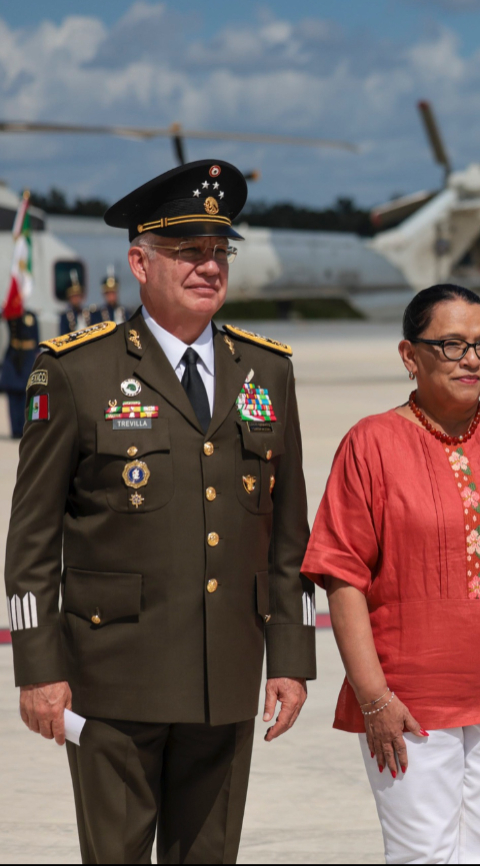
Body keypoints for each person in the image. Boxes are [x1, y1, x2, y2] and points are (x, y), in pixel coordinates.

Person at [4, 159, 315, 864]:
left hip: (227, 679)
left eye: (217, 252)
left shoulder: (267, 371)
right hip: (114, 680)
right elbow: (30, 542)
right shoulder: (77, 371)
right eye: (187, 252)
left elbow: (288, 536)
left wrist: (290, 659)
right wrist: (36, 667)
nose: (208, 266)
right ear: (139, 263)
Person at [301, 284, 480, 864]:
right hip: (409, 702)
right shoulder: (371, 443)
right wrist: (374, 697)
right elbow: (342, 575)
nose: (472, 359)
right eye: (452, 345)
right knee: (423, 855)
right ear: (410, 355)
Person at [0, 309, 39, 437]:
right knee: (13, 398)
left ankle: (25, 428)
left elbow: (36, 339)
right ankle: (15, 429)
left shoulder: (31, 315)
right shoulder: (11, 315)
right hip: (13, 359)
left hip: (27, 359)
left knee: (26, 396)